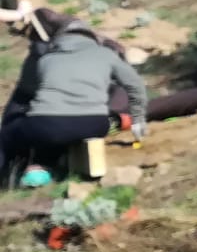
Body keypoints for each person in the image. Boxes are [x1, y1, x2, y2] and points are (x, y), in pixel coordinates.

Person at [0, 18, 149, 178]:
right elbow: (135, 85)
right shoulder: (106, 55)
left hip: (47, 126)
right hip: (95, 125)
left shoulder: (47, 60)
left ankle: (15, 171)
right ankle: (44, 166)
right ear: (91, 38)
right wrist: (138, 118)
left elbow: (30, 94)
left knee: (10, 133)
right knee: (62, 128)